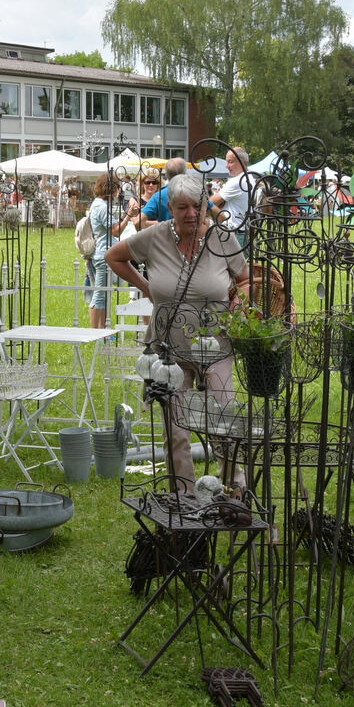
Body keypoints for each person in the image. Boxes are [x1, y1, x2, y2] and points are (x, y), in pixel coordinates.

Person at [106, 174, 249, 492]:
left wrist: (239, 302)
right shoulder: (155, 236)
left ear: (205, 206)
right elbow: (113, 256)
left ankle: (235, 496)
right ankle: (183, 504)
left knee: (224, 424)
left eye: (197, 206)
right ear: (170, 208)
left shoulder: (222, 238)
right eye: (182, 207)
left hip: (216, 347)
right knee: (176, 430)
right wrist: (146, 288)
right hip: (169, 350)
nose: (191, 214)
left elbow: (245, 278)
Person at [88, 172, 135, 329]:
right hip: (104, 255)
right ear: (112, 188)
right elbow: (116, 231)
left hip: (103, 253)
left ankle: (102, 330)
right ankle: (95, 332)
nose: (119, 191)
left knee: (104, 295)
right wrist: (128, 216)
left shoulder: (98, 204)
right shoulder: (102, 207)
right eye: (117, 187)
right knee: (100, 295)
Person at [138, 158, 189, 228]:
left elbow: (139, 222)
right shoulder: (194, 191)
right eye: (147, 182)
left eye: (154, 182)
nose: (151, 185)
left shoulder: (158, 196)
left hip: (166, 236)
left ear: (167, 174)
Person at [210, 147, 251, 231]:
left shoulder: (237, 181)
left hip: (233, 231)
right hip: (244, 229)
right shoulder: (249, 177)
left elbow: (211, 202)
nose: (227, 166)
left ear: (242, 162)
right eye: (227, 162)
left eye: (230, 162)